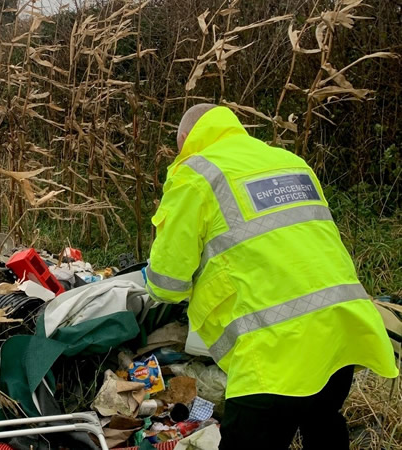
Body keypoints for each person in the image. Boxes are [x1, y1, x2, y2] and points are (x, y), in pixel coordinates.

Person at [144, 104, 398, 450]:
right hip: (339, 340)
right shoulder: (291, 162)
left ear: (186, 140)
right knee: (323, 427)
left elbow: (166, 284)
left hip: (271, 361)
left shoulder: (195, 174)